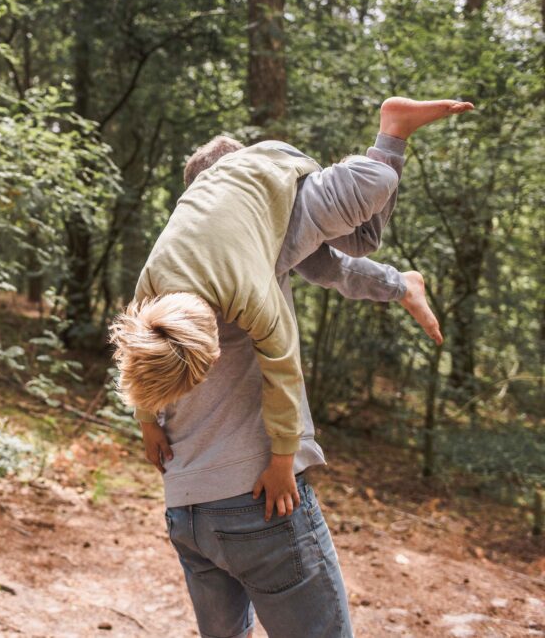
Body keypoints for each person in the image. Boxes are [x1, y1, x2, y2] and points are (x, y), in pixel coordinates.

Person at [109, 97, 474, 637]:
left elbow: (133, 353)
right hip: (257, 506)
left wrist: (146, 422)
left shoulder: (186, 274)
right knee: (355, 231)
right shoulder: (220, 285)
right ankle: (390, 135)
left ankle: (400, 255)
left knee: (335, 246)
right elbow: (283, 363)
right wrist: (282, 460)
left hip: (186, 509)